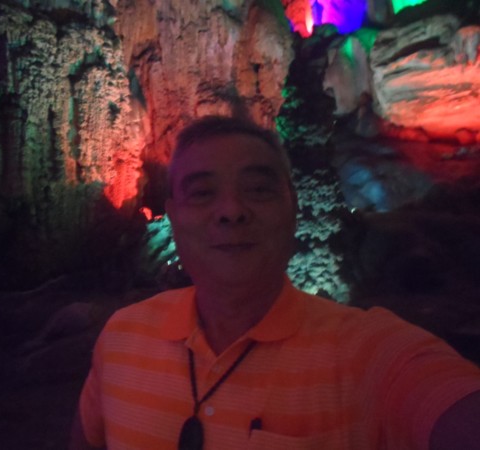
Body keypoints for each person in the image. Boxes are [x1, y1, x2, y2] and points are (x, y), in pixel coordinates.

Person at [70, 115, 480, 450]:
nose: (231, 210)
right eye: (202, 193)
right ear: (173, 216)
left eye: (258, 190)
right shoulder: (121, 338)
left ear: (293, 207)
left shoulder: (369, 355)